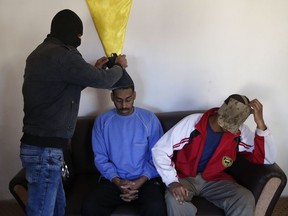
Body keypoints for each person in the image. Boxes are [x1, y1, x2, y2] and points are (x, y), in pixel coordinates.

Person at [20, 9, 128, 216]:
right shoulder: (61, 54)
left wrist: (93, 70)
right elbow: (104, 81)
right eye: (79, 35)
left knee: (58, 208)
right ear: (70, 32)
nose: (79, 39)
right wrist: (120, 68)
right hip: (45, 150)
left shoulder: (40, 53)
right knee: (42, 211)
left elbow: (59, 89)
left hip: (42, 147)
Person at [152, 94, 276, 216]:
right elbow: (160, 150)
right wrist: (172, 181)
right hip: (184, 178)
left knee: (245, 198)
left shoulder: (239, 132)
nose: (227, 129)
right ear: (221, 109)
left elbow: (266, 158)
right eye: (225, 122)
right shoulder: (192, 123)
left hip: (215, 180)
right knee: (174, 199)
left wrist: (260, 124)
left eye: (232, 126)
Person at [81, 72, 167, 216]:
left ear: (134, 95)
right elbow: (101, 158)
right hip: (113, 180)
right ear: (112, 97)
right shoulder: (103, 121)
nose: (124, 105)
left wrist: (139, 182)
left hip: (145, 179)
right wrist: (118, 181)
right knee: (90, 206)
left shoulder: (149, 119)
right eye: (119, 100)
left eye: (128, 99)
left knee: (156, 207)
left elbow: (158, 156)